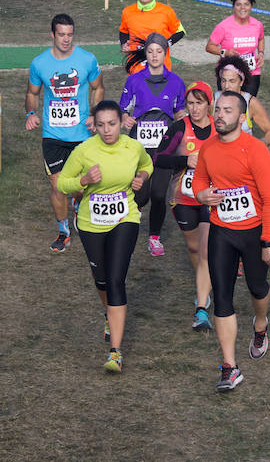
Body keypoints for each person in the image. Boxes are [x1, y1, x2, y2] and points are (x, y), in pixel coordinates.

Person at [192, 90, 270, 392]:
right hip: (221, 232)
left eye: (228, 111)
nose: (219, 115)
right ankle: (230, 367)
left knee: (258, 288)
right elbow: (201, 181)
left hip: (253, 232)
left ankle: (260, 324)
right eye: (218, 109)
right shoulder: (208, 148)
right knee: (223, 298)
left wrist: (267, 242)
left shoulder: (255, 150)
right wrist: (201, 194)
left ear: (242, 118)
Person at [58, 100, 152, 373]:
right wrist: (83, 181)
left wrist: (141, 178)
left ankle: (116, 352)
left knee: (115, 279)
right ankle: (109, 313)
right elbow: (63, 182)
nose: (107, 130)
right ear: (94, 126)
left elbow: (148, 164)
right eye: (101, 125)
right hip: (91, 224)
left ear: (121, 123)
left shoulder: (132, 146)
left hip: (125, 219)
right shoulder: (84, 150)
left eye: (112, 124)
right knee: (101, 279)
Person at [26, 14, 105, 253]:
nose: (66, 39)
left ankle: (79, 205)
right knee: (59, 186)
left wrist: (94, 114)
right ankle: (63, 231)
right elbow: (32, 93)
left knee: (81, 187)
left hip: (82, 134)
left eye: (70, 34)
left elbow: (98, 87)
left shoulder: (87, 60)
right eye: (61, 34)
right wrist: (30, 113)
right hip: (53, 135)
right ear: (52, 34)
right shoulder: (39, 63)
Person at [154, 80, 216, 330]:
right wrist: (184, 160)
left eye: (199, 103)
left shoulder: (219, 127)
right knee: (194, 249)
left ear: (209, 104)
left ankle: (201, 308)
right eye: (190, 103)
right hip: (182, 198)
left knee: (205, 249)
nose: (194, 108)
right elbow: (159, 157)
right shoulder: (179, 127)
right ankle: (204, 283)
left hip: (212, 197)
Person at [119, 33, 186, 257]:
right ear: (145, 54)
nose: (155, 56)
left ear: (165, 53)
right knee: (142, 194)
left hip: (165, 147)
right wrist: (124, 118)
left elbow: (180, 111)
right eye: (150, 52)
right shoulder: (134, 80)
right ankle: (131, 214)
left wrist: (183, 122)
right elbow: (123, 109)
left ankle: (154, 238)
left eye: (159, 51)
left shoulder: (176, 82)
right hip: (140, 146)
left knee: (159, 194)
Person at [119, 0, 186, 75]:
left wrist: (165, 44)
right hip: (136, 65)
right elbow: (123, 31)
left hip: (161, 66)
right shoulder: (127, 11)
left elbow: (180, 32)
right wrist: (124, 44)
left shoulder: (166, 11)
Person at [206, 0, 266, 97]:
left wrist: (261, 53)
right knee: (229, 107)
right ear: (233, 7)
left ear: (251, 7)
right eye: (238, 4)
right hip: (228, 74)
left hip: (251, 72)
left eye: (246, 4)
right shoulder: (223, 26)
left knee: (247, 106)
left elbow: (261, 38)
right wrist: (225, 52)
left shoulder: (257, 25)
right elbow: (209, 47)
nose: (242, 8)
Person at [214, 55, 270, 145]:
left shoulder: (250, 102)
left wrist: (261, 144)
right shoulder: (213, 100)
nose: (226, 86)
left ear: (241, 82)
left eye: (232, 81)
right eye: (223, 81)